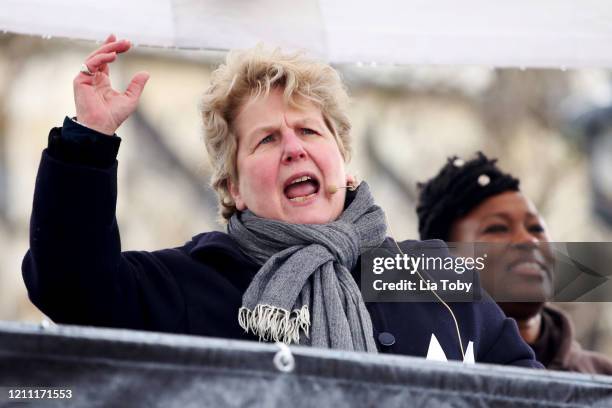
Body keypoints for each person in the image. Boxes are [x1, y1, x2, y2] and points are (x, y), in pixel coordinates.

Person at [22, 35, 539, 366]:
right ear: (233, 188)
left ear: (343, 159)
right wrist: (89, 139)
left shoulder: (434, 276)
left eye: (310, 131)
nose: (294, 148)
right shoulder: (192, 284)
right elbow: (72, 286)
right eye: (267, 139)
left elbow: (527, 388)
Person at [416, 152, 612, 373]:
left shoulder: (602, 377)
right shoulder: (418, 366)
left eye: (536, 228)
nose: (529, 240)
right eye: (497, 228)